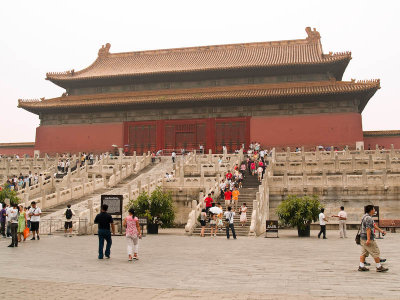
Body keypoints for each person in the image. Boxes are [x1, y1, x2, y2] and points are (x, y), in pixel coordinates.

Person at [358, 205, 388, 272]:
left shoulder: (365, 216)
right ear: (371, 210)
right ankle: (379, 267)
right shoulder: (368, 218)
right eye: (374, 209)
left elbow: (373, 225)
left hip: (362, 237)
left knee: (364, 252)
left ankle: (361, 266)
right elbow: (368, 229)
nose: (374, 210)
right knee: (375, 252)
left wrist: (381, 231)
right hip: (367, 238)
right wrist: (368, 239)